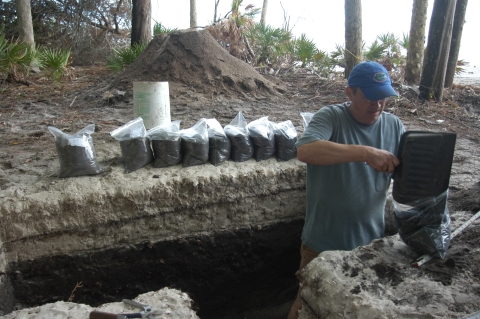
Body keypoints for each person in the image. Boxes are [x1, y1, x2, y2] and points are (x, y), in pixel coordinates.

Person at [287, 61, 405, 319]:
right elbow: (306, 150)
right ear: (349, 93)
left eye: (383, 97)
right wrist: (365, 152)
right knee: (306, 303)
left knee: (352, 308)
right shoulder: (331, 117)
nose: (378, 104)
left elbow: (407, 174)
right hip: (322, 242)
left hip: (368, 243)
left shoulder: (394, 126)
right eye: (370, 97)